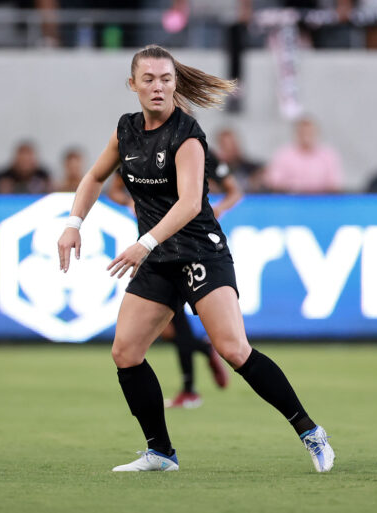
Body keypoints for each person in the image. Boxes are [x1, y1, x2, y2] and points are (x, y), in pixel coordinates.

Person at [57, 44, 334, 473]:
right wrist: (73, 221)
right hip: (158, 257)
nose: (158, 87)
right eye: (148, 79)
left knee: (233, 349)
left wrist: (143, 243)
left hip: (200, 250)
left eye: (166, 79)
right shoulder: (125, 130)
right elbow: (94, 177)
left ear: (175, 84)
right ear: (132, 85)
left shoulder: (186, 134)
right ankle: (161, 452)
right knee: (125, 352)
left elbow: (189, 204)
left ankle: (310, 431)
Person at [106, 145, 240, 409]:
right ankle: (201, 355)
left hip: (189, 248)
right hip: (155, 247)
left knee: (179, 328)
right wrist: (130, 201)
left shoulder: (197, 149)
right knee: (170, 331)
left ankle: (190, 387)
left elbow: (234, 190)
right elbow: (114, 189)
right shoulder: (139, 150)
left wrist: (218, 208)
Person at [264, 116, 343, 193]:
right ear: (296, 133)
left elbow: (334, 184)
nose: (306, 136)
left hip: (321, 201)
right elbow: (274, 182)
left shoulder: (328, 155)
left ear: (317, 133)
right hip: (290, 200)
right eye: (303, 132)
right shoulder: (283, 154)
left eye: (310, 132)